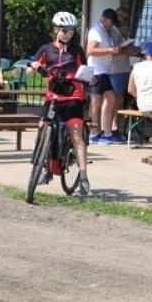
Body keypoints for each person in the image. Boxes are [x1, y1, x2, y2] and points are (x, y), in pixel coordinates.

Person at [29, 11, 91, 194]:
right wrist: (34, 67)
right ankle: (45, 167)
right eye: (64, 30)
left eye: (71, 31)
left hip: (73, 97)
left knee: (76, 134)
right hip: (53, 98)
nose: (68, 34)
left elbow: (85, 70)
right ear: (56, 29)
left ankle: (83, 177)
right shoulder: (46, 49)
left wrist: (89, 79)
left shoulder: (77, 50)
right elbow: (30, 69)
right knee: (43, 127)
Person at [86, 8, 134, 144]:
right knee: (96, 103)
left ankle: (107, 132)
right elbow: (90, 50)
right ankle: (93, 133)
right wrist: (111, 50)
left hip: (105, 72)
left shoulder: (105, 31)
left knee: (112, 98)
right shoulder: (96, 29)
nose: (112, 26)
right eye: (111, 23)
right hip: (97, 72)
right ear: (105, 19)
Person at [108, 7, 137, 117]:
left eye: (126, 19)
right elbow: (114, 51)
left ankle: (114, 124)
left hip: (123, 68)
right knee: (114, 99)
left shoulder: (119, 31)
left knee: (119, 99)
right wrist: (131, 49)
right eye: (123, 18)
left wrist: (132, 47)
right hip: (116, 69)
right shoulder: (111, 30)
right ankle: (111, 124)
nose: (124, 21)